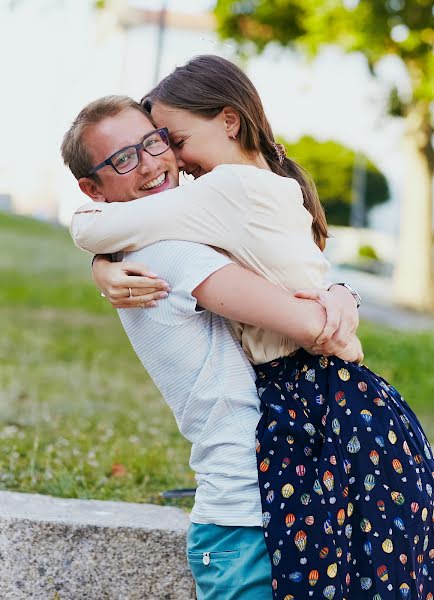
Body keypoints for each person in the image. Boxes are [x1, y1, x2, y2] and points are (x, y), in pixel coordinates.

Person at [70, 55, 434, 600]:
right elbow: (311, 318)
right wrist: (337, 306)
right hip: (259, 494)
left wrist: (341, 299)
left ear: (229, 120)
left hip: (305, 450)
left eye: (161, 141)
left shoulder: (215, 203)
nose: (161, 161)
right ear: (92, 186)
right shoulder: (177, 247)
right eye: (126, 157)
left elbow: (105, 228)